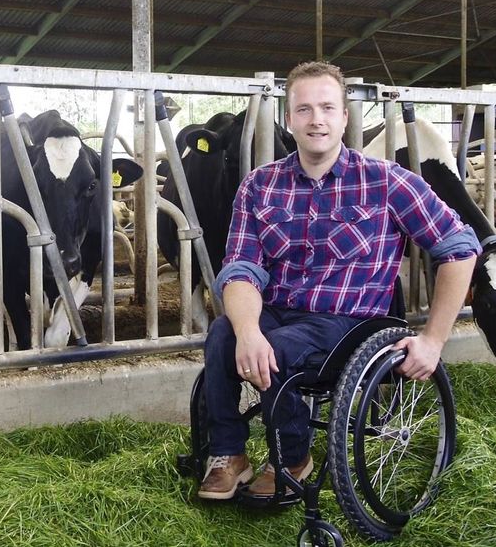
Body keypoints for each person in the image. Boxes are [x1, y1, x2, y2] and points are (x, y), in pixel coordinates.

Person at [197, 61, 480, 501]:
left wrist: (434, 339)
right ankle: (229, 453)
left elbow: (459, 247)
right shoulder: (259, 186)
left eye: (328, 108)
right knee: (220, 335)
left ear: (345, 118)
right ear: (289, 119)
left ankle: (292, 458)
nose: (317, 120)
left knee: (282, 350)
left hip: (349, 322)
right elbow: (240, 269)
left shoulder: (385, 181)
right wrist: (247, 330)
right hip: (278, 309)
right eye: (304, 109)